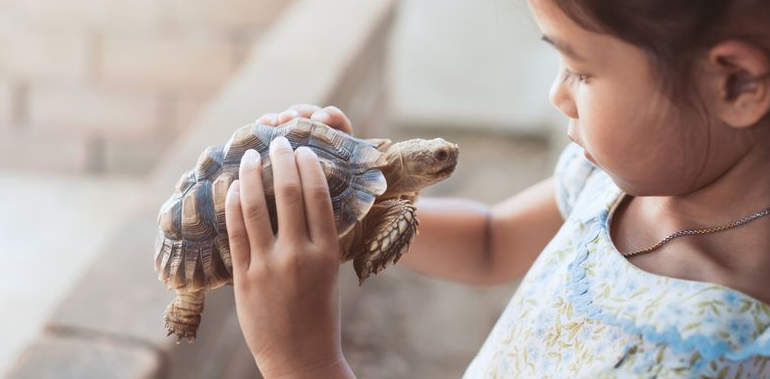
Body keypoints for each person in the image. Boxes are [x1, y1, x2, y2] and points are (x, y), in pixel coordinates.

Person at [223, 0, 770, 377]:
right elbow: (492, 240)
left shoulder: (703, 354)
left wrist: (303, 362)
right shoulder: (611, 181)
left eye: (581, 70)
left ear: (737, 83)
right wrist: (357, 200)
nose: (557, 93)